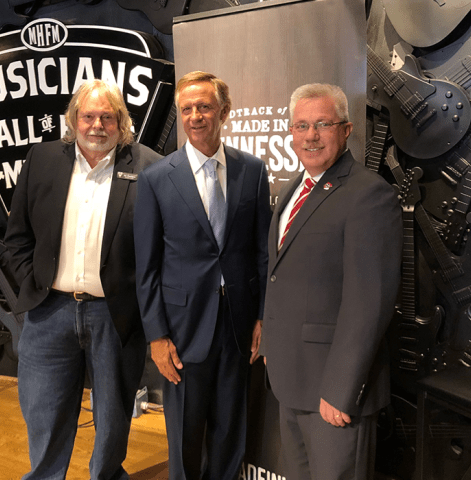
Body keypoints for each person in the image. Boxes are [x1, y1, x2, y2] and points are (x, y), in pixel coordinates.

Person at [5, 79, 161, 479]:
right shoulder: (41, 159)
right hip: (48, 311)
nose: (96, 125)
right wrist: (32, 283)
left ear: (122, 122)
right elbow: (16, 237)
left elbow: (161, 248)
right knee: (43, 411)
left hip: (115, 315)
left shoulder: (151, 166)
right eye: (88, 116)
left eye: (107, 117)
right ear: (73, 120)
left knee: (112, 415)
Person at [134, 71, 271, 480]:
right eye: (187, 108)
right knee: (185, 433)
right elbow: (147, 266)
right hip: (181, 329)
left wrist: (263, 315)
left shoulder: (253, 170)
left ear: (224, 111)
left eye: (205, 106)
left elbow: (262, 251)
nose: (195, 116)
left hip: (238, 325)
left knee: (231, 428)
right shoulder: (157, 178)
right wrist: (156, 336)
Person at [262, 83, 402, 480]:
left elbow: (369, 304)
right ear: (290, 132)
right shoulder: (293, 189)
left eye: (322, 124)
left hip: (333, 393)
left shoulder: (368, 195)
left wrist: (341, 389)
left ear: (346, 129)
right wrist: (272, 345)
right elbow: (280, 277)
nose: (310, 135)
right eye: (301, 125)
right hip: (291, 383)